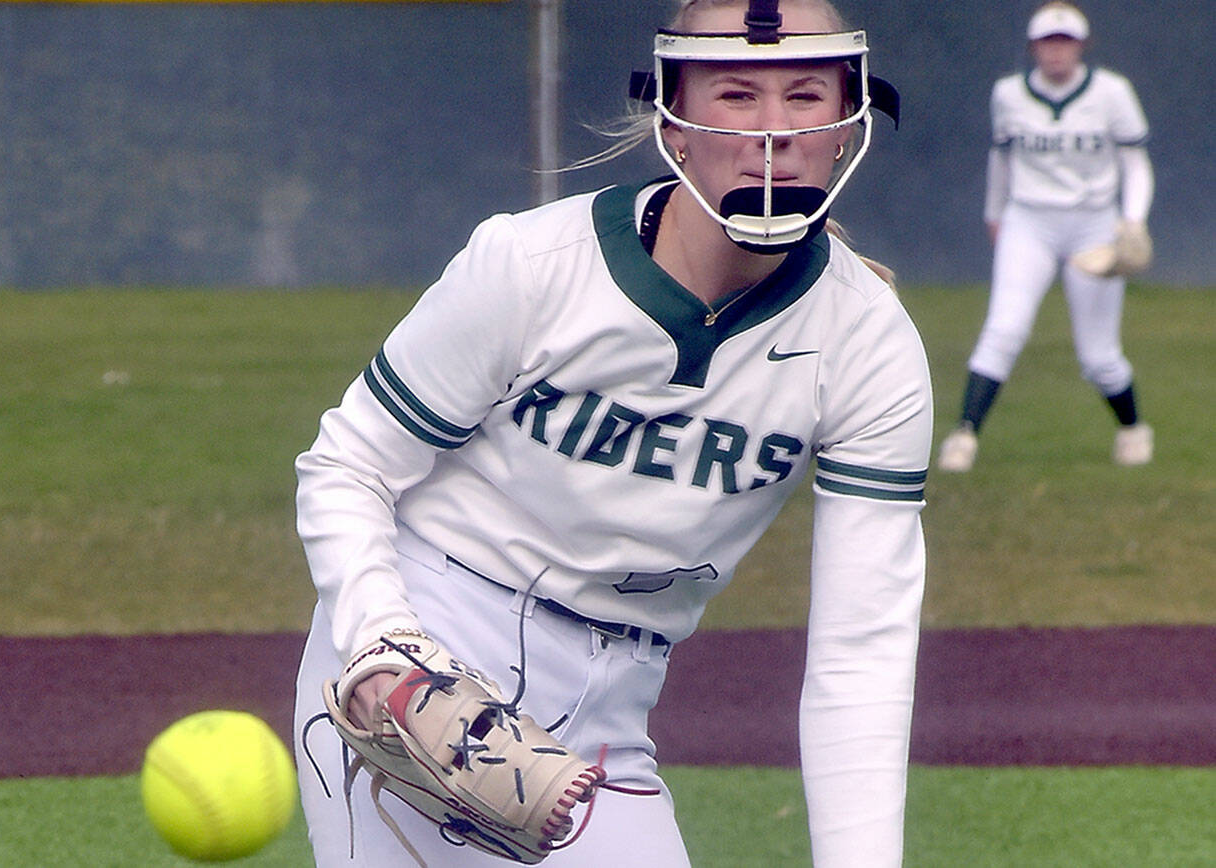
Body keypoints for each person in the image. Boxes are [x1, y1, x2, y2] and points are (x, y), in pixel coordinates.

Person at [293, 1, 931, 865]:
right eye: (736, 94)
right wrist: (380, 642)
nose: (773, 132)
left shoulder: (868, 341)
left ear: (850, 123)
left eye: (806, 95)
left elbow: (862, 655)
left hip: (611, 720)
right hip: (427, 666)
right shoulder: (533, 265)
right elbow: (349, 464)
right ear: (673, 124)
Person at [937, 1, 1156, 473]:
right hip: (1030, 220)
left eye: (1066, 42)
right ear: (1033, 47)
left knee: (1098, 356)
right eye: (1047, 42)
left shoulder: (1112, 92)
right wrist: (994, 213)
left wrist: (1133, 220)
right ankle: (964, 435)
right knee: (1004, 329)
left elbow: (1135, 164)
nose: (1057, 51)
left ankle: (1134, 428)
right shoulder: (1009, 94)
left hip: (1094, 223)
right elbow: (1001, 158)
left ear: (1082, 46)